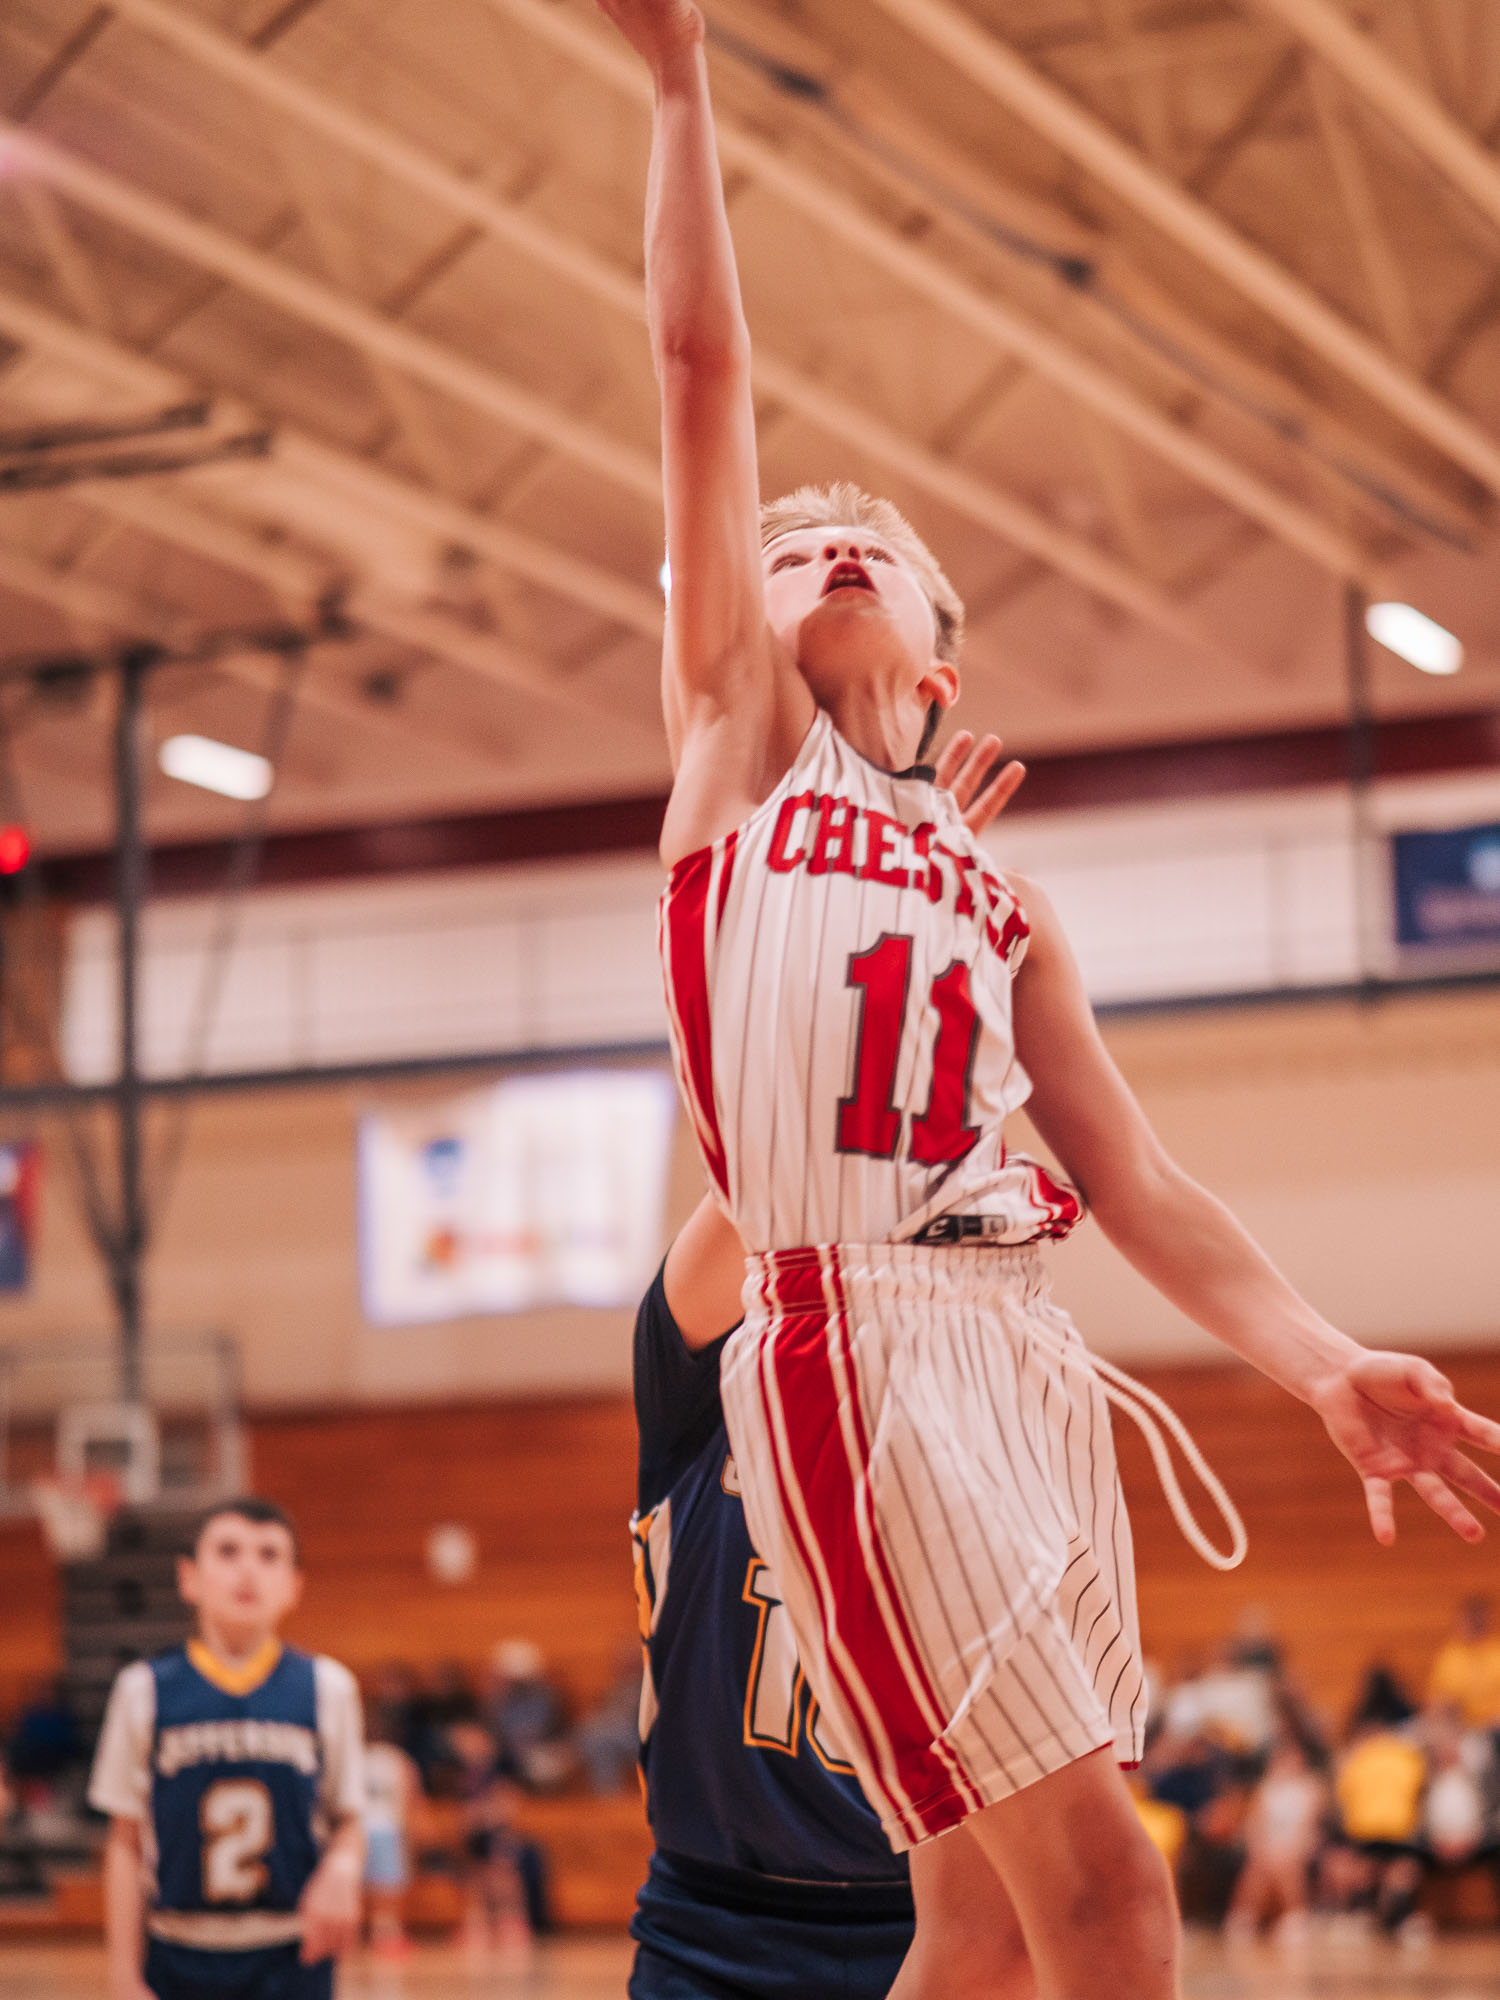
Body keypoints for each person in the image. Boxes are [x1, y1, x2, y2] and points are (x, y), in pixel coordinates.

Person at [597, 2, 1500, 1992]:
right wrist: (679, 84)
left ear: (938, 654)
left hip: (1021, 1355)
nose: (819, 537)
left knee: (994, 1933)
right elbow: (695, 364)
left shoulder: (1003, 896)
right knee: (1113, 1904)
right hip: (858, 1327)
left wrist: (1322, 1359)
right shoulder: (740, 739)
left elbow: (1145, 1181)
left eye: (875, 547)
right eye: (783, 539)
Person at [632, 742, 1029, 2000]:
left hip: (924, 1919)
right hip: (708, 1910)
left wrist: (931, 934)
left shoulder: (963, 1395)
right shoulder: (707, 1385)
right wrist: (864, 928)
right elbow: (760, 1176)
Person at [88, 1498, 365, 2000]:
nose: (248, 1569)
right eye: (228, 1550)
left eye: (269, 1555)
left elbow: (349, 1820)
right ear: (188, 1577)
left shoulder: (328, 1687)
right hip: (177, 1952)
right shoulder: (143, 1689)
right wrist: (122, 1977)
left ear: (295, 1585)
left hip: (292, 1956)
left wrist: (342, 1868)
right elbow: (124, 1842)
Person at [360, 1720, 418, 1961]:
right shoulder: (398, 1759)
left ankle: (361, 1933)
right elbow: (408, 1796)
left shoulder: (357, 1757)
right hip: (386, 1826)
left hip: (361, 1827)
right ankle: (385, 1934)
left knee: (361, 1886)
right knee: (386, 1887)